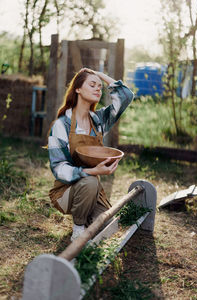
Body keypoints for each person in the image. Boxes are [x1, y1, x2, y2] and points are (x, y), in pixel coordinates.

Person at [48, 68, 134, 241]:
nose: (98, 89)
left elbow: (126, 97)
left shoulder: (98, 120)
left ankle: (88, 219)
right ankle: (78, 228)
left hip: (93, 190)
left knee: (107, 228)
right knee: (90, 181)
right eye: (92, 84)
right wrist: (91, 172)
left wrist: (98, 74)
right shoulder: (61, 125)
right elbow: (58, 168)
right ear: (78, 89)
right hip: (66, 191)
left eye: (100, 87)